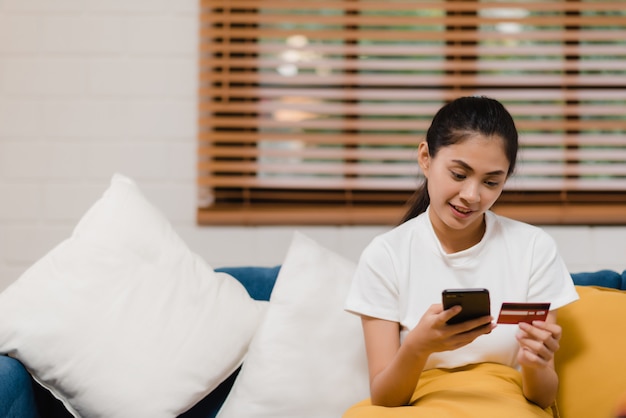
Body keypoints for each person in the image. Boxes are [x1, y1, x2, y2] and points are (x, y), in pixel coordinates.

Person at [343, 96, 579, 418]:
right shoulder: (386, 255)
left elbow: (541, 398)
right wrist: (418, 346)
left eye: (491, 182)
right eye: (458, 174)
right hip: (417, 406)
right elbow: (385, 399)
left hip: (503, 405)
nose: (472, 196)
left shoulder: (533, 248)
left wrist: (535, 362)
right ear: (425, 158)